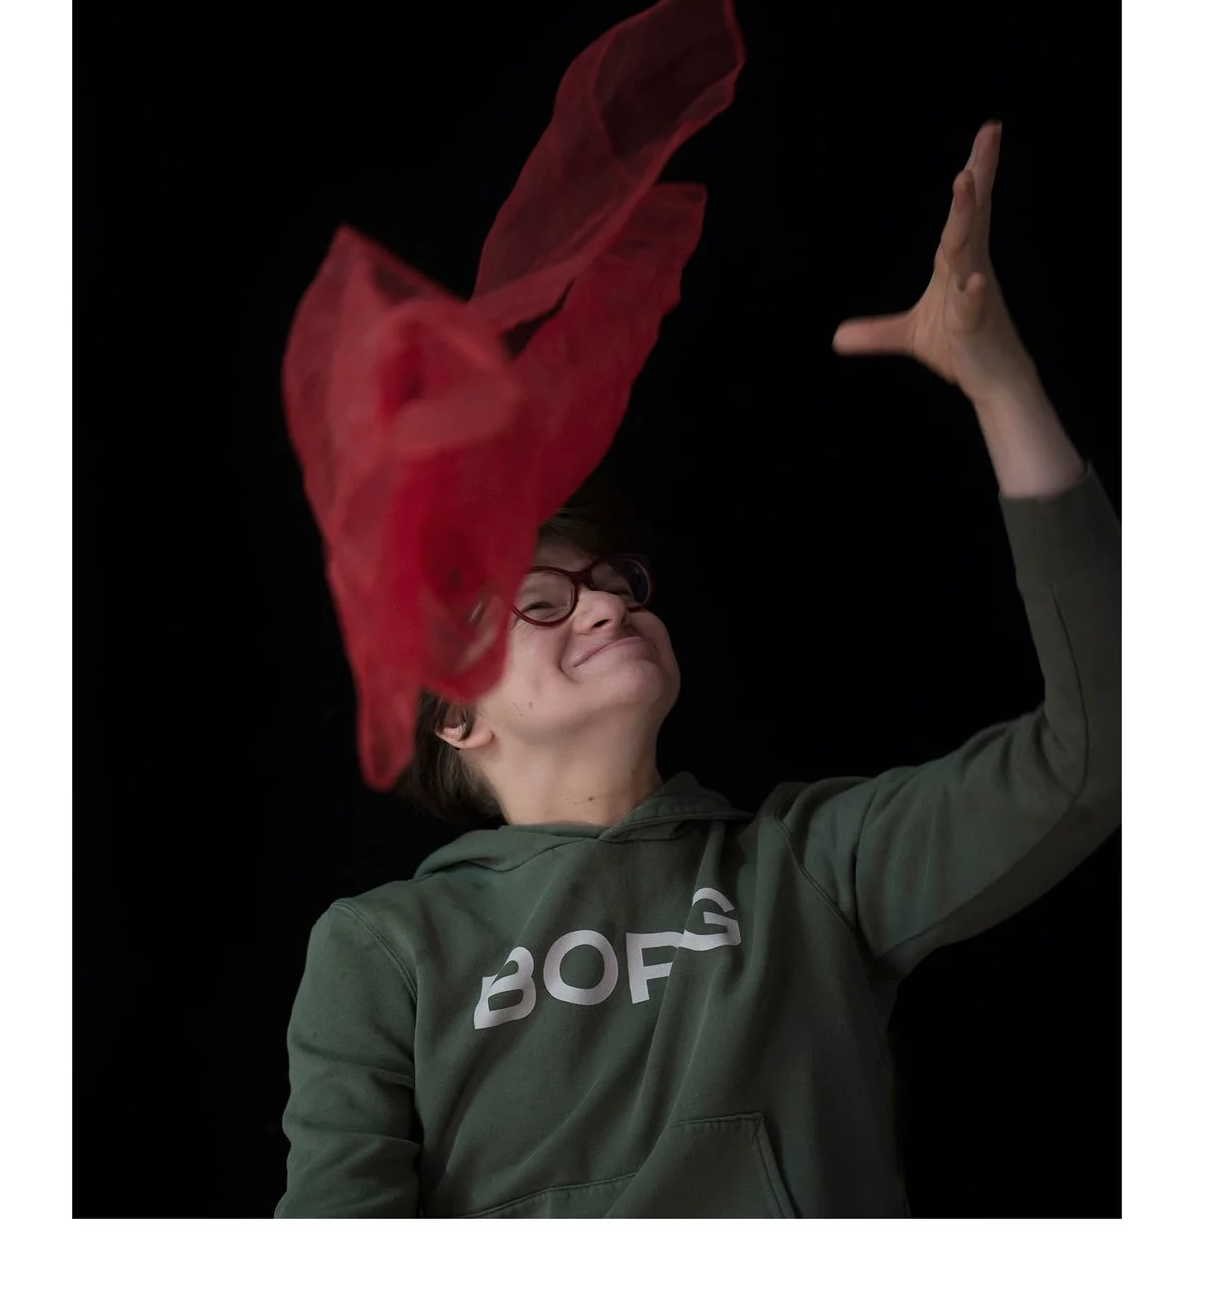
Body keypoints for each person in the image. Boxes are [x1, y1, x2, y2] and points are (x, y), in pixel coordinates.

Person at [275, 121, 1119, 1217]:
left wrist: (1000, 384)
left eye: (616, 581)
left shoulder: (809, 867)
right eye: (541, 599)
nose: (609, 604)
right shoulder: (383, 946)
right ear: (454, 715)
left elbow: (1098, 749)